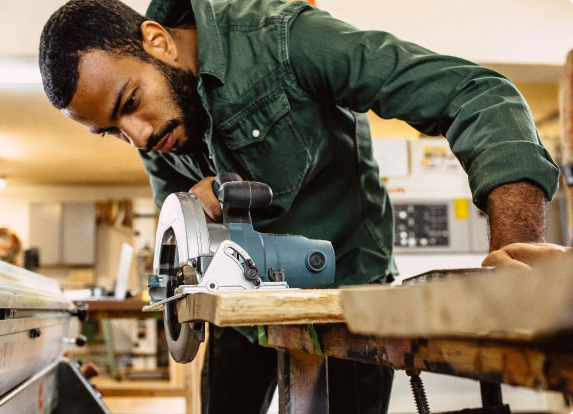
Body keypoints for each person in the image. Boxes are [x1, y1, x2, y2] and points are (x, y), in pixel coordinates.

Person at [38, 0, 561, 411]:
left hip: (350, 300)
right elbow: (182, 242)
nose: (139, 137)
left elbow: (475, 95)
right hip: (240, 312)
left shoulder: (285, 39)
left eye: (129, 103)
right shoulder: (159, 134)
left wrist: (515, 252)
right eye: (113, 131)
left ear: (157, 42)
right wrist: (193, 208)